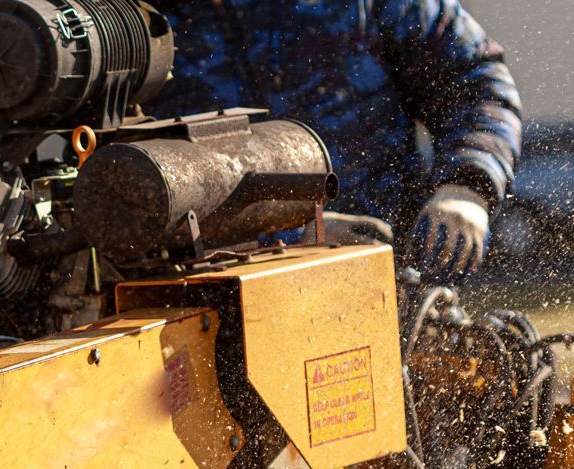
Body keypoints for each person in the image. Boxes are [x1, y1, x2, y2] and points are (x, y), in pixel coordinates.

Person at [155, 0, 523, 277]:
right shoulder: (139, 22)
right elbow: (122, 182)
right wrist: (295, 241)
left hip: (393, 281)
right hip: (211, 303)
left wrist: (465, 187)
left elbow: (473, 80)